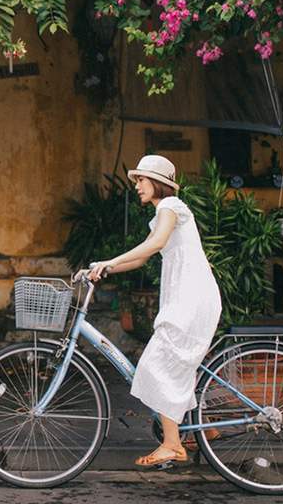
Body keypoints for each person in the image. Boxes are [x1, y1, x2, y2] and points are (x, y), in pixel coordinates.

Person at [86, 154, 222, 469]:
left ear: (157, 183)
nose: (136, 187)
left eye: (141, 181)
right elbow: (142, 258)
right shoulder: (165, 212)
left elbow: (154, 244)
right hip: (186, 297)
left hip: (192, 298)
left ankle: (173, 445)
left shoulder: (171, 207)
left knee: (158, 364)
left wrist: (110, 261)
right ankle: (204, 428)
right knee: (174, 363)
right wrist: (106, 265)